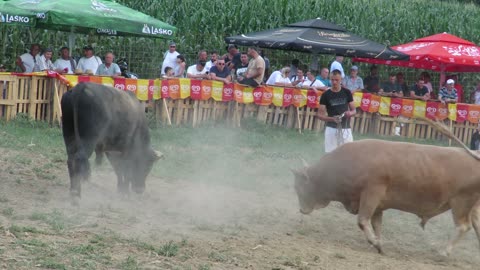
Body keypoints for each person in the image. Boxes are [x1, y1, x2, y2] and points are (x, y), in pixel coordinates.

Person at [318, 69, 356, 153]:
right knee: (330, 155)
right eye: (332, 80)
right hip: (331, 128)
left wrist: (349, 113)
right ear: (330, 79)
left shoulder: (347, 92)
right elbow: (320, 115)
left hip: (345, 128)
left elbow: (354, 110)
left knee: (349, 153)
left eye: (337, 80)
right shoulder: (325, 95)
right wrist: (332, 119)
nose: (334, 82)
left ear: (341, 80)